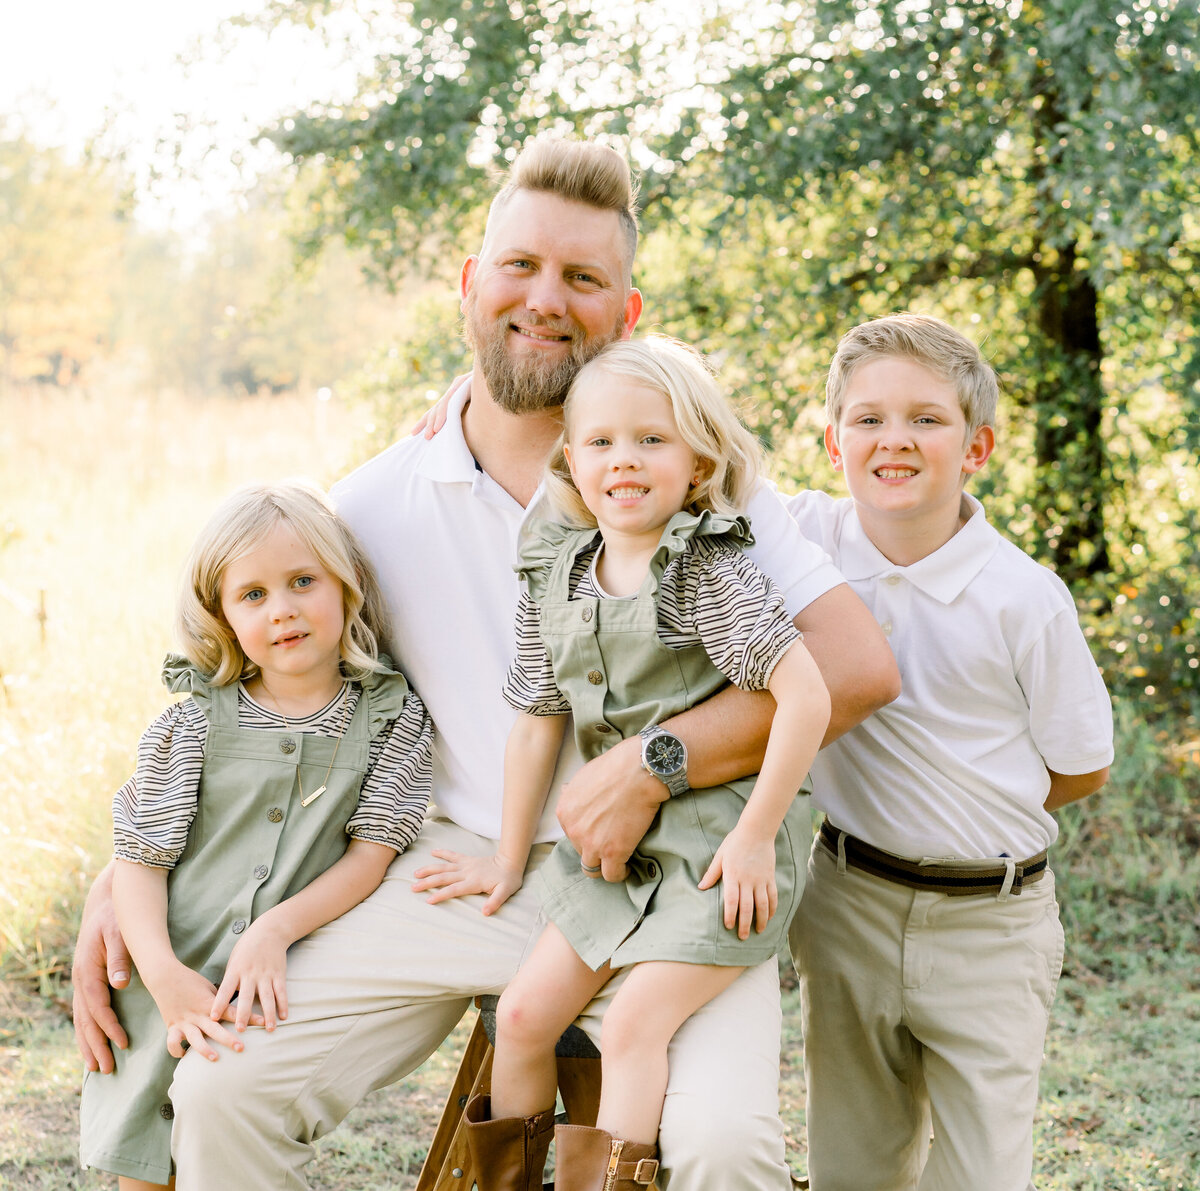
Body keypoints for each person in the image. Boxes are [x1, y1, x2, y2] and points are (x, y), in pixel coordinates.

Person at [71, 137, 899, 1191]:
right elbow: (268, 690)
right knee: (228, 1092)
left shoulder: (687, 474)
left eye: (583, 278)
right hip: (460, 870)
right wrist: (123, 873)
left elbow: (857, 667)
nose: (545, 299)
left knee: (726, 1150)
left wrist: (653, 764)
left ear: (625, 313)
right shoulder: (374, 504)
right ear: (471, 285)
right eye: (520, 267)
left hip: (669, 874)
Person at [415, 336, 830, 1188]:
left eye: (652, 439)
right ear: (570, 456)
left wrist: (755, 838)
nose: (624, 461)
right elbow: (537, 720)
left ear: (698, 457)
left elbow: (809, 697)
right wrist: (505, 855)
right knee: (525, 1015)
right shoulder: (559, 574)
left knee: (634, 1024)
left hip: (722, 849)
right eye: (601, 441)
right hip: (617, 852)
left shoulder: (708, 567)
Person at [785, 313, 1114, 1191]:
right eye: (869, 419)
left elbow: (1081, 767)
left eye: (927, 418)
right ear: (833, 441)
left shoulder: (1024, 599)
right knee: (852, 1165)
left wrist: (965, 806)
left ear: (977, 447)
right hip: (847, 901)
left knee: (980, 1175)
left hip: (990, 925)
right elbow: (666, 450)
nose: (895, 439)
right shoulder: (801, 539)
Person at [77, 480, 433, 1189]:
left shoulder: (395, 719)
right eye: (254, 595)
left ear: (346, 583)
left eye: (303, 580)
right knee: (147, 1165)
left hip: (271, 978)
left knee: (228, 1132)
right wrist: (163, 974)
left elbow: (370, 857)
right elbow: (141, 860)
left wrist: (274, 930)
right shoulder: (193, 722)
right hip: (167, 968)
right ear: (222, 615)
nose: (285, 609)